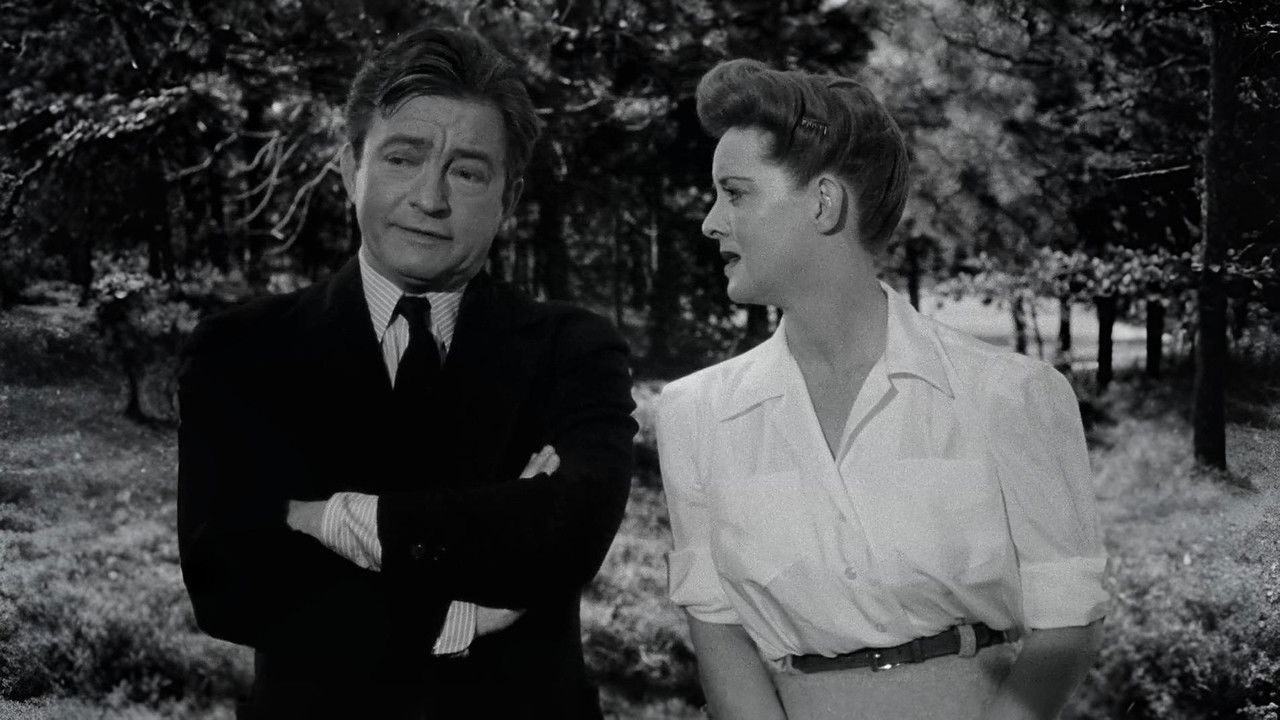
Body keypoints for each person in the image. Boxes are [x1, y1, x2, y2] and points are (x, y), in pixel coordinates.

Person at [177, 25, 637, 720]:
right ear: (348, 169)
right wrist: (458, 613)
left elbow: (569, 535)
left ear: (509, 199)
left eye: (467, 171)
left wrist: (328, 518)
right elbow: (230, 582)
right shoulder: (243, 349)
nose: (430, 197)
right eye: (402, 157)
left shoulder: (573, 350)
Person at [656, 59, 1108, 720]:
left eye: (735, 193)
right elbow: (718, 633)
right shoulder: (694, 415)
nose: (710, 221)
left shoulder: (1012, 396)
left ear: (824, 202)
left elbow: (1067, 627)